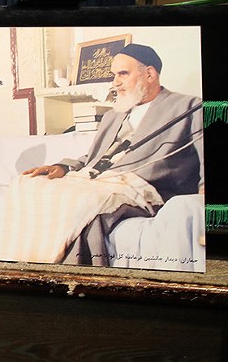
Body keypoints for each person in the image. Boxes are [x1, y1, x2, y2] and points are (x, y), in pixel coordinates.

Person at [20, 43, 203, 264]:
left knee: (85, 203)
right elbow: (92, 159)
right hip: (98, 181)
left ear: (150, 74)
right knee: (29, 185)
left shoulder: (189, 107)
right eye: (114, 75)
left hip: (143, 189)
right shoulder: (112, 116)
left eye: (123, 74)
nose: (115, 82)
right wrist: (63, 167)